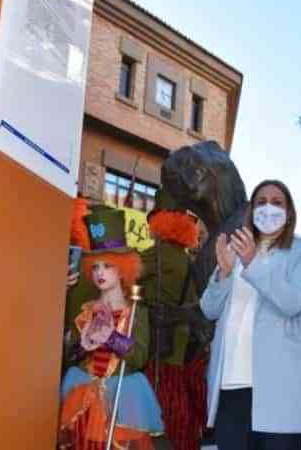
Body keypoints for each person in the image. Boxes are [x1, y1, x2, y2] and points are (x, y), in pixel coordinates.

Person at [201, 179, 301, 450]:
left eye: (277, 202)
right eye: (261, 202)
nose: (268, 208)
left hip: (282, 388)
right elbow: (209, 309)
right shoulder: (235, 249)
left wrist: (251, 262)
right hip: (231, 386)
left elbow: (293, 303)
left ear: (289, 213)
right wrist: (223, 273)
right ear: (251, 211)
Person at [58, 208, 163, 450]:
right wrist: (82, 346)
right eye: (95, 267)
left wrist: (112, 337)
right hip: (82, 398)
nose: (100, 273)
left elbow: (139, 358)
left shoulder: (136, 312)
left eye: (107, 266)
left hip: (122, 400)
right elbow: (69, 358)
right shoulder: (86, 310)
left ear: (123, 268)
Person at [139, 189, 206, 450]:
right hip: (179, 344)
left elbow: (124, 272)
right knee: (176, 406)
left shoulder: (160, 254)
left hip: (157, 343)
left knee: (156, 407)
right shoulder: (185, 259)